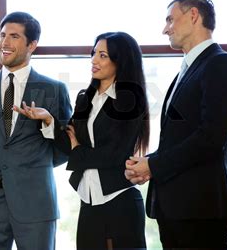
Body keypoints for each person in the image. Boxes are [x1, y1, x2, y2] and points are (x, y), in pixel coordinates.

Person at [125, 0, 227, 249]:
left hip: (200, 210)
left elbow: (211, 138)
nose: (165, 29)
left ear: (193, 16)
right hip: (176, 209)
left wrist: (154, 165)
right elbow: (181, 138)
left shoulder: (221, 64)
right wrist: (148, 163)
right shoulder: (190, 68)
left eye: (170, 19)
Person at [16, 32, 149, 249]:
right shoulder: (85, 98)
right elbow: (68, 143)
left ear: (120, 61)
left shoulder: (130, 101)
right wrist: (48, 120)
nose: (94, 60)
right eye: (94, 53)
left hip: (119, 201)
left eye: (103, 55)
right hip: (88, 202)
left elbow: (113, 155)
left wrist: (78, 149)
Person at [0, 11, 72, 250]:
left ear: (32, 45)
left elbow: (67, 149)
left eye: (14, 36)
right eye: (2, 35)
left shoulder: (54, 89)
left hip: (36, 203)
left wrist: (49, 123)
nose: (4, 43)